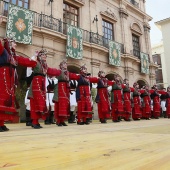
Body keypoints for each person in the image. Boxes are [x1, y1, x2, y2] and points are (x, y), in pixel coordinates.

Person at [0, 38, 37, 132]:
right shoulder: (3, 51)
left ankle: (1, 123)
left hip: (9, 82)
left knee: (5, 103)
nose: (16, 45)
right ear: (8, 44)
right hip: (2, 78)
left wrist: (35, 57)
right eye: (14, 43)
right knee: (1, 102)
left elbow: (25, 61)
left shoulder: (14, 56)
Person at [28, 49, 56, 129]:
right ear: (39, 56)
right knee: (35, 102)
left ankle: (36, 122)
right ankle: (34, 122)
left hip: (42, 85)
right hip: (36, 84)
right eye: (43, 55)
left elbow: (50, 71)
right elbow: (30, 62)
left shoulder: (45, 65)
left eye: (45, 55)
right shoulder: (35, 62)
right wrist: (35, 55)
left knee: (41, 103)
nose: (45, 56)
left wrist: (58, 71)